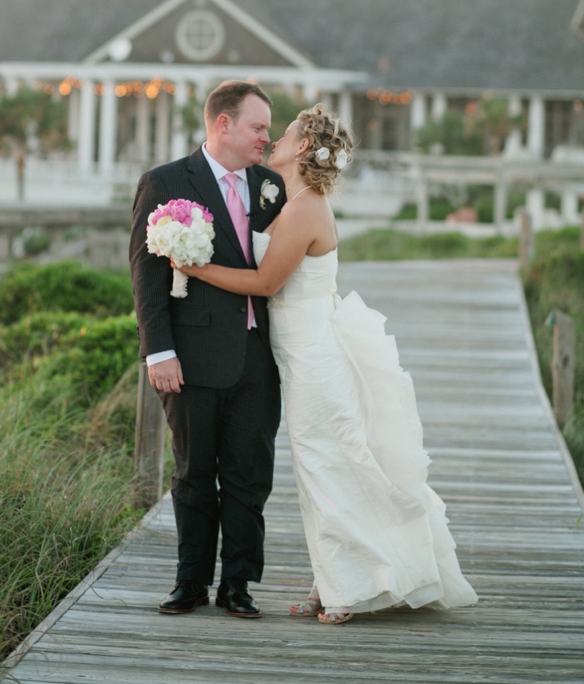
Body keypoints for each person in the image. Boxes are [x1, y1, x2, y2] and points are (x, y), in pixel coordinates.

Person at [175, 104, 478, 624]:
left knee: (328, 466)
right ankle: (332, 580)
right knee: (321, 469)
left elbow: (266, 284)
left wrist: (197, 270)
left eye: (284, 134)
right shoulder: (290, 201)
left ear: (302, 149)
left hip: (314, 354)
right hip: (296, 352)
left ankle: (349, 590)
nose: (273, 140)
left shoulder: (306, 208)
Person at [129, 80, 286, 618]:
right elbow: (146, 280)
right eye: (258, 127)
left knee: (250, 474)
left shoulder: (271, 185)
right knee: (194, 473)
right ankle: (190, 582)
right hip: (191, 358)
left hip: (260, 357)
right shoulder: (167, 183)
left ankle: (238, 583)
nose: (266, 137)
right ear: (224, 124)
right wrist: (158, 352)